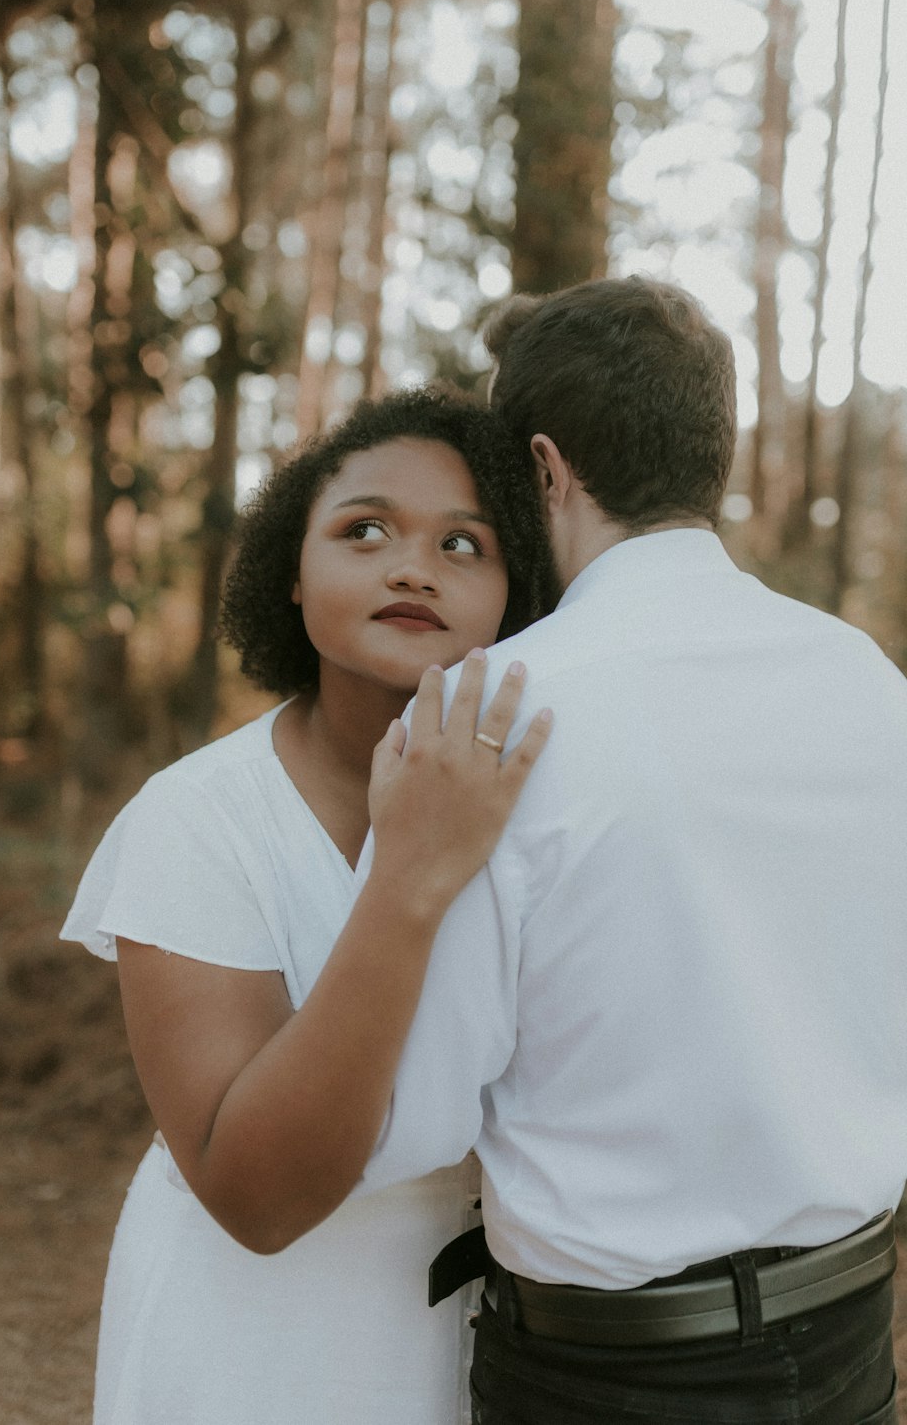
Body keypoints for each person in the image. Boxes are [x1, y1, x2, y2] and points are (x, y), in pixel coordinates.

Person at [337, 278, 907, 1424]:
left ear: (543, 468)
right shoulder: (867, 683)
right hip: (850, 1336)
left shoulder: (482, 716)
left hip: (615, 1377)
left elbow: (412, 1117)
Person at [60, 387, 556, 1425]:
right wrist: (410, 879)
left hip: (476, 1340)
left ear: (518, 593)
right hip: (246, 1341)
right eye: (363, 529)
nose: (413, 566)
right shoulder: (196, 819)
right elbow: (259, 1197)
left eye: (466, 544)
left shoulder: (548, 803)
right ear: (290, 573)